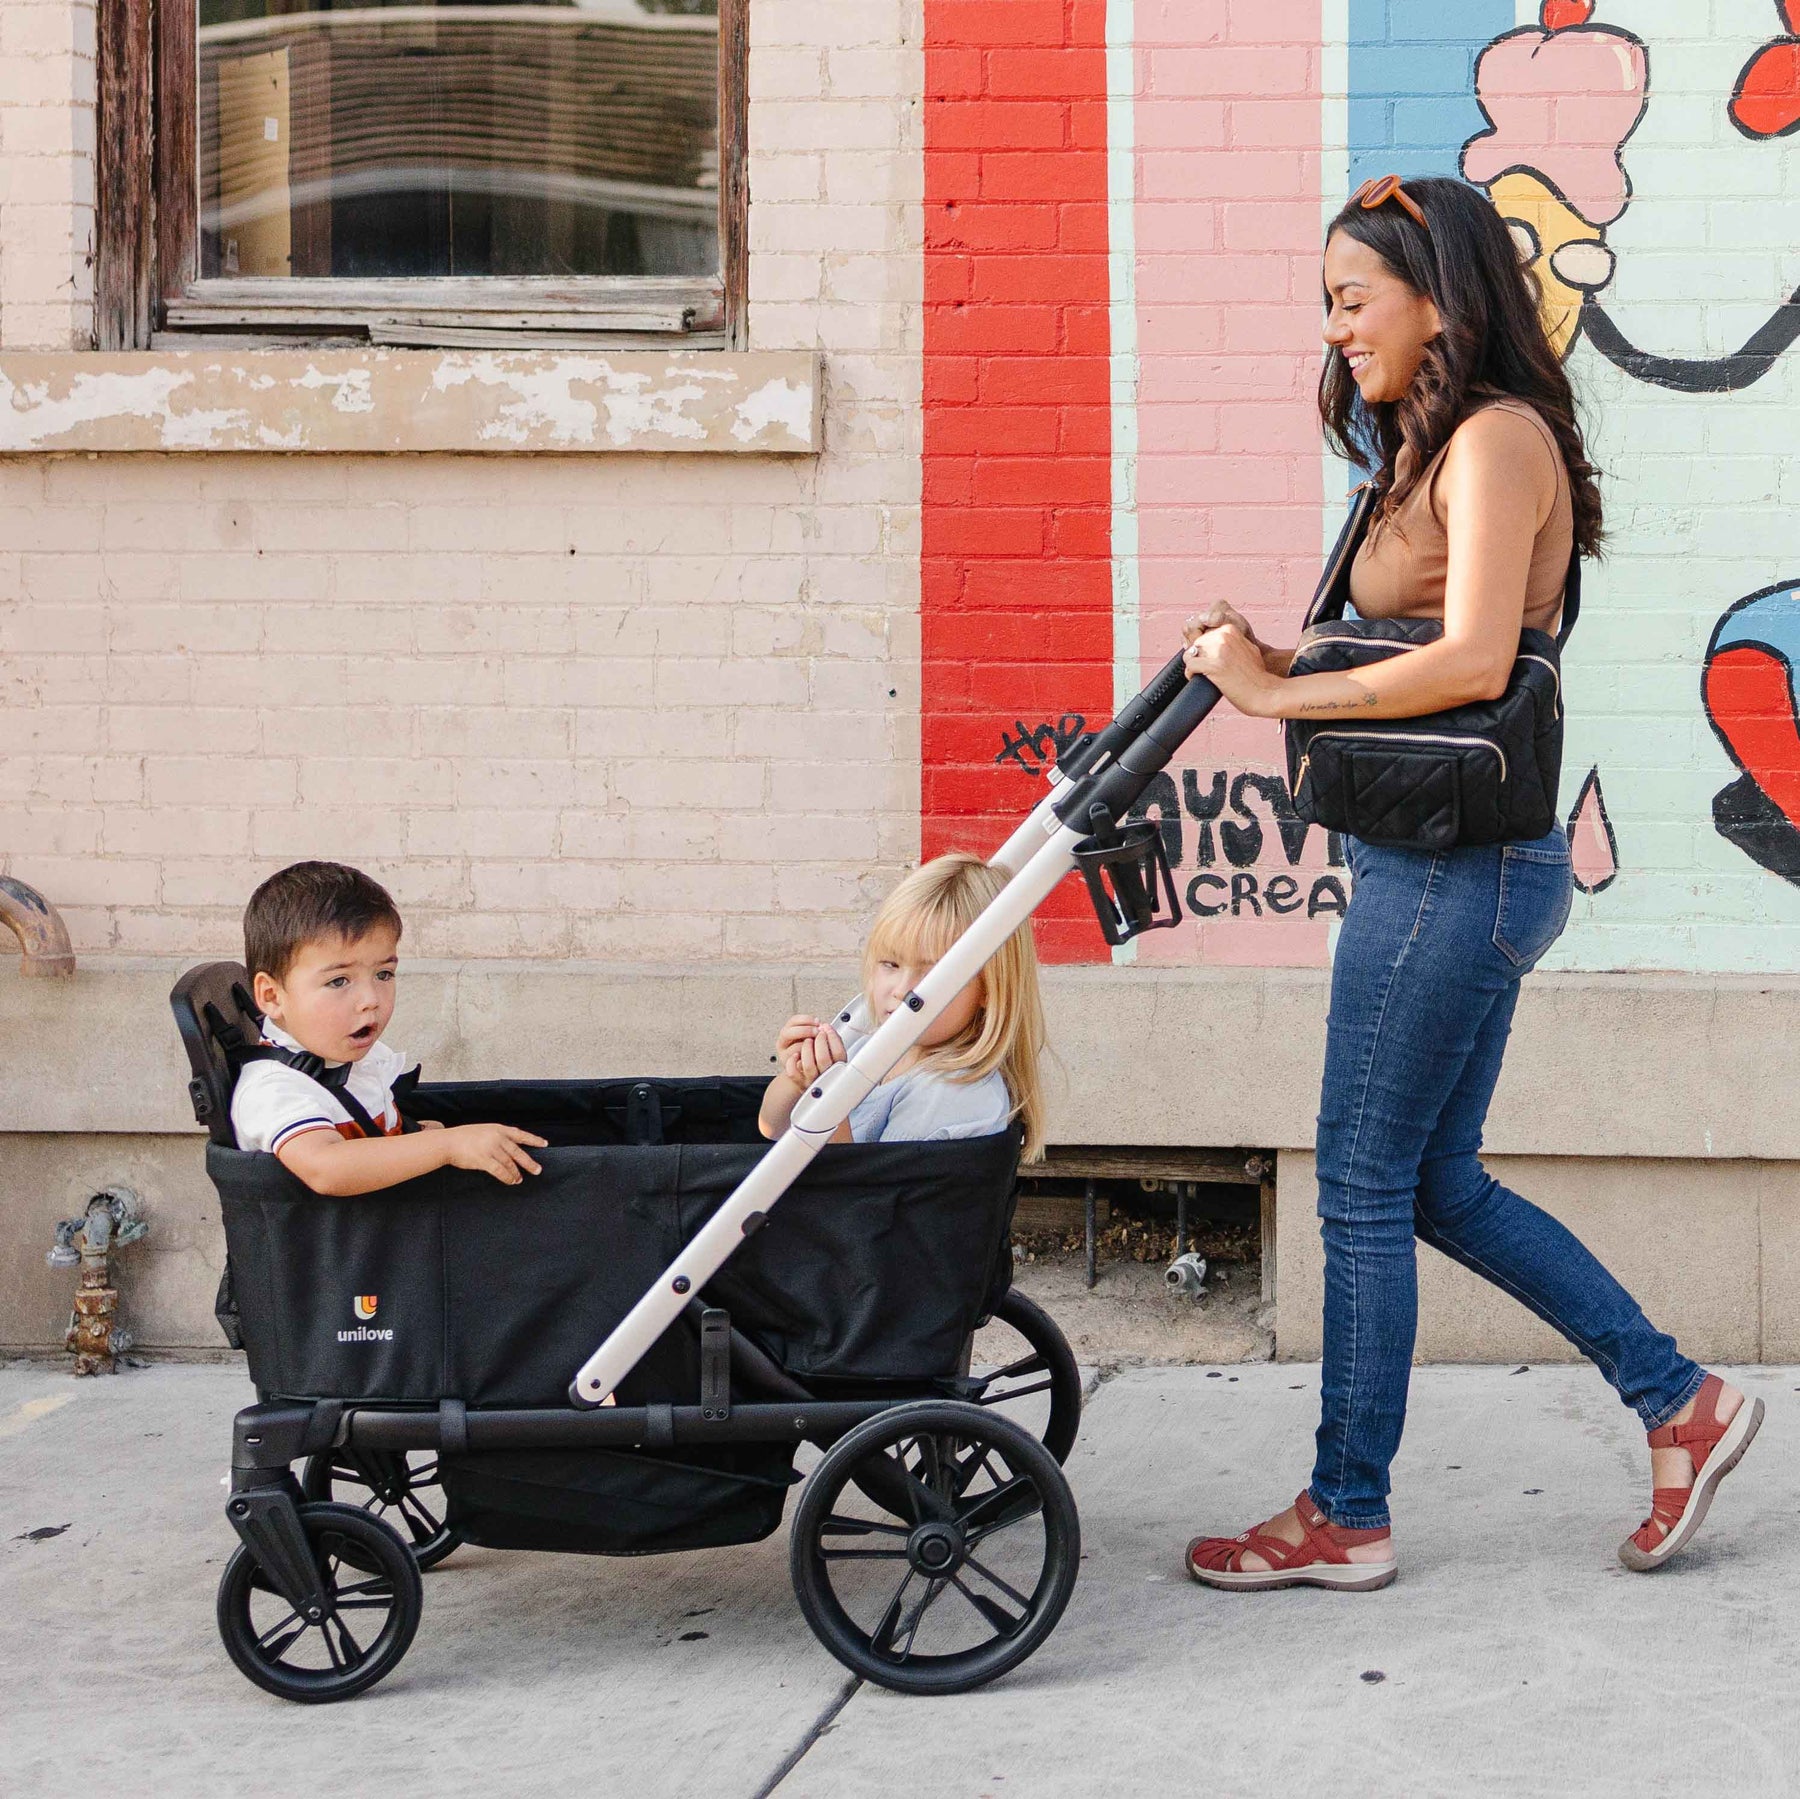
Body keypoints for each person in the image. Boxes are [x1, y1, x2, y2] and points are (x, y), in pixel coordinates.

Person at [1179, 175, 1761, 1590]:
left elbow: (1475, 661)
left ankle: (1346, 1509)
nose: (1337, 330)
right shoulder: (1419, 449)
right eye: (1329, 304)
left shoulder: (1497, 441)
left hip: (1455, 870)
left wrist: (1269, 693)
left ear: (1441, 295)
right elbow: (1394, 644)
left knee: (1363, 1181)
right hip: (1441, 863)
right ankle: (1677, 1395)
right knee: (1432, 1178)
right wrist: (1282, 650)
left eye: (1354, 300)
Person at [231, 860, 547, 1194]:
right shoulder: (277, 1090)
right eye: (338, 981)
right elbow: (327, 1168)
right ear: (272, 995)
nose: (371, 999)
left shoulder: (344, 1061)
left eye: (384, 974)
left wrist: (414, 1138)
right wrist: (447, 1146)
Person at [758, 853, 1046, 1159]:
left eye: (931, 972)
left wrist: (829, 1102)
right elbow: (771, 1128)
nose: (901, 990)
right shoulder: (871, 1048)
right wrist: (797, 1078)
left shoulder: (951, 1094)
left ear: (990, 988)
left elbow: (865, 1192)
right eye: (890, 964)